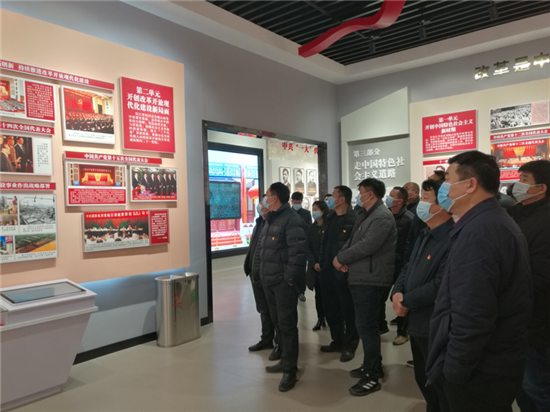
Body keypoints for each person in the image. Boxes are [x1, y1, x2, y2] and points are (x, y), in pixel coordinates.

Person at [426, 151, 532, 412]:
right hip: (494, 362)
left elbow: (472, 314)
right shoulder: (488, 222)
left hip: (481, 369)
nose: (443, 188)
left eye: (448, 179)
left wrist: (455, 370)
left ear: (470, 184)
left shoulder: (480, 232)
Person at [392, 179, 453, 412]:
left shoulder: (453, 238)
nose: (420, 206)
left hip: (435, 323)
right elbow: (409, 266)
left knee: (440, 383)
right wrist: (397, 292)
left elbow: (441, 284)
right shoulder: (425, 233)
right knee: (423, 377)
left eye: (426, 200)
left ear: (442, 205)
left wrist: (406, 301)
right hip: (416, 322)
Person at [334, 178, 397, 396]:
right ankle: (373, 364)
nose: (358, 196)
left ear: (370, 194)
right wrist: (341, 257)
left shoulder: (382, 216)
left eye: (360, 192)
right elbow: (352, 241)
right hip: (360, 276)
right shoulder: (365, 214)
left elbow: (367, 245)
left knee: (367, 327)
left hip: (371, 279)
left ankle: (371, 375)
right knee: (365, 326)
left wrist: (341, 258)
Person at [253, 182, 306, 392]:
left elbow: (297, 254)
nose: (264, 199)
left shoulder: (292, 220)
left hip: (283, 284)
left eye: (266, 195)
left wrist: (289, 280)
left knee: (287, 326)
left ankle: (290, 370)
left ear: (274, 198)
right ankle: (284, 359)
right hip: (269, 281)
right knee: (278, 324)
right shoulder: (271, 218)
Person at [509, 160, 550, 412]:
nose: (518, 184)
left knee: (538, 387)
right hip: (515, 319)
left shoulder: (545, 219)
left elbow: (540, 275)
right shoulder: (516, 212)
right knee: (521, 387)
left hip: (536, 320)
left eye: (524, 180)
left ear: (541, 188)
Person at [319, 185, 359, 362]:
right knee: (331, 309)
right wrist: (321, 263)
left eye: (333, 195)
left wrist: (344, 262)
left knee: (348, 310)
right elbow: (324, 243)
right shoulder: (329, 217)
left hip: (344, 272)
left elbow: (355, 246)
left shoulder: (355, 219)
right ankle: (337, 340)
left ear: (342, 199)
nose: (330, 198)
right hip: (327, 271)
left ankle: (350, 345)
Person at [244, 195, 279, 361]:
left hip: (268, 274)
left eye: (264, 202)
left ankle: (280, 344)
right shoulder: (259, 222)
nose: (260, 205)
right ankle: (266, 339)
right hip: (255, 273)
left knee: (275, 312)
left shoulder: (275, 223)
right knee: (263, 309)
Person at [380, 187, 413, 345]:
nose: (388, 198)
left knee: (400, 298)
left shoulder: (409, 219)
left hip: (402, 264)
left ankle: (402, 332)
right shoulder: (385, 215)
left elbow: (410, 244)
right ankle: (381, 326)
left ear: (400, 201)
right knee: (380, 296)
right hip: (386, 263)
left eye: (392, 196)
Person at [306, 200, 329, 331]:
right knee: (318, 295)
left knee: (330, 295)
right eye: (313, 209)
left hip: (328, 266)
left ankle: (332, 317)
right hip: (315, 267)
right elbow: (307, 248)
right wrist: (313, 263)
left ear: (323, 211)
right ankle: (320, 318)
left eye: (316, 209)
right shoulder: (311, 228)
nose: (314, 212)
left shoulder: (329, 226)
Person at [291, 191, 311, 302]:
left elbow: (309, 228)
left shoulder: (306, 214)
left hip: (302, 246)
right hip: (290, 246)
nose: (297, 204)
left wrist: (300, 221)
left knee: (301, 270)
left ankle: (301, 292)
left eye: (299, 202)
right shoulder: (287, 213)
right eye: (295, 202)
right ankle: (293, 291)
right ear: (292, 201)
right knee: (291, 270)